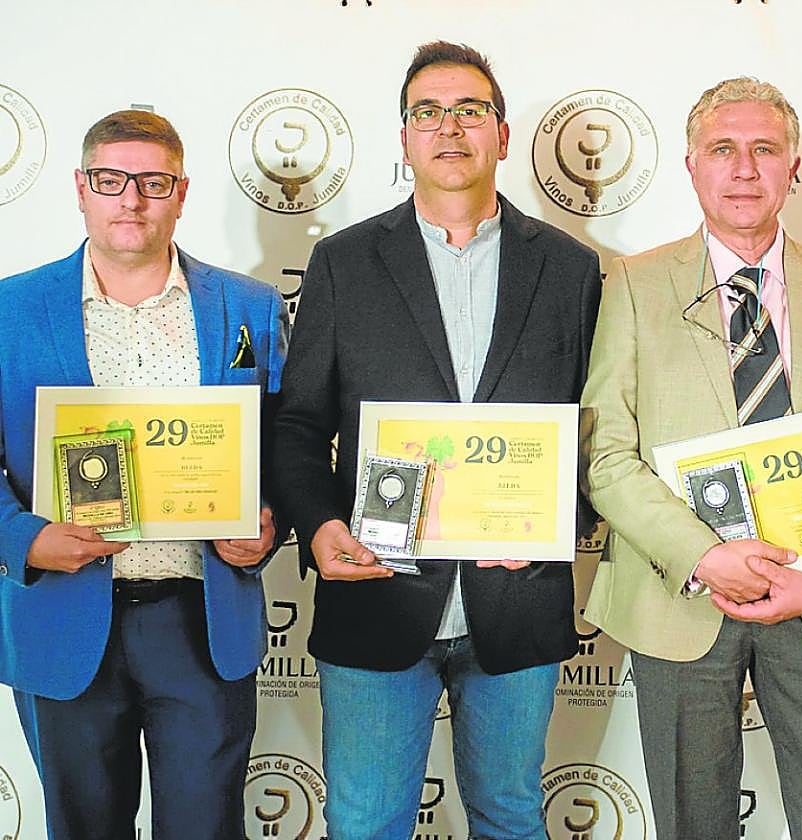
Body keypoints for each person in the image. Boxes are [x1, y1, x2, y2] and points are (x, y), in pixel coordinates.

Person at [270, 41, 601, 838]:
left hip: (516, 599)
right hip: (377, 595)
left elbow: (601, 431)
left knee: (512, 816)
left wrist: (564, 523)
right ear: (404, 137)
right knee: (366, 821)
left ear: (503, 133)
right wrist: (319, 529)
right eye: (427, 112)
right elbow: (297, 425)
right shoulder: (343, 263)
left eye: (468, 110)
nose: (448, 127)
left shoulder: (570, 268)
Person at [580, 76, 802, 840]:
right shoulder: (633, 285)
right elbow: (608, 455)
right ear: (691, 166)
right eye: (722, 149)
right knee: (693, 824)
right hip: (681, 599)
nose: (744, 168)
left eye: (765, 149)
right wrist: (703, 556)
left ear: (795, 168)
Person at [0, 109, 288, 838]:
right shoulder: (9, 309)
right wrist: (24, 538)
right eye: (112, 180)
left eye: (153, 183)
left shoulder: (246, 306)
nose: (132, 199)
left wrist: (270, 520)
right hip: (65, 619)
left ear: (182, 193)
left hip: (199, 617)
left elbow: (286, 444)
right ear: (81, 188)